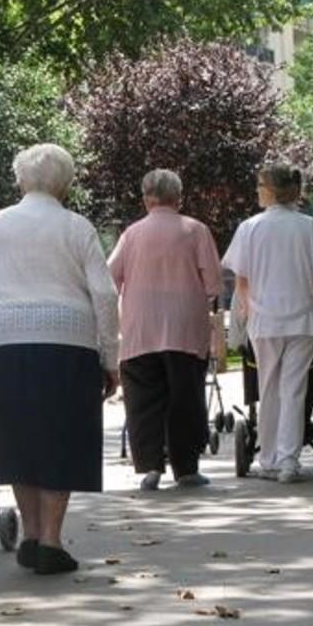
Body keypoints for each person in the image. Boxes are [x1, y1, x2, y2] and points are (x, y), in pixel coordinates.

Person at [0, 143, 119, 575]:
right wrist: (110, 355)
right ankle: (51, 539)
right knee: (61, 434)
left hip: (5, 341)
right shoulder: (77, 227)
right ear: (66, 184)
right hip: (68, 341)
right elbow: (105, 295)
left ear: (20, 179)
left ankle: (32, 533)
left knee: (19, 433)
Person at [222, 164, 313, 484]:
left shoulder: (250, 228)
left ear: (271, 190)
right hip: (303, 319)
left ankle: (269, 458)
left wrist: (248, 313)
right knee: (295, 390)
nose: (257, 190)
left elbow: (242, 281)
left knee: (268, 388)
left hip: (265, 320)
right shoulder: (311, 227)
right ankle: (289, 461)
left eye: (260, 185)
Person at [109, 169, 222, 491]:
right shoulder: (195, 231)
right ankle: (186, 468)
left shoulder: (131, 234)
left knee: (144, 398)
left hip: (141, 328)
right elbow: (213, 283)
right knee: (185, 396)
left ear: (147, 198)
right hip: (185, 329)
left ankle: (150, 467)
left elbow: (111, 278)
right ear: (179, 197)